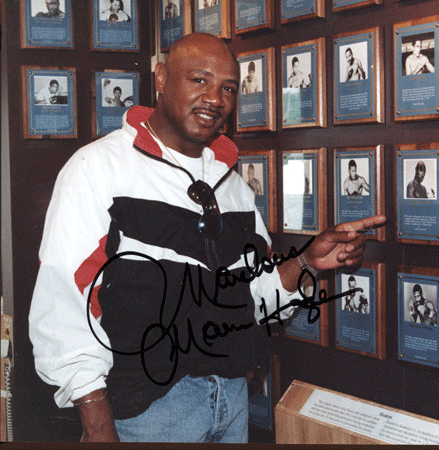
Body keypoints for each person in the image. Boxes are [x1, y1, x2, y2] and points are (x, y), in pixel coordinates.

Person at [29, 32, 386, 443]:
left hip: (232, 403)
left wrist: (306, 262)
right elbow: (65, 300)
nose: (214, 98)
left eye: (228, 88)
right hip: (149, 413)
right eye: (199, 80)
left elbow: (253, 297)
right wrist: (96, 420)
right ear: (161, 78)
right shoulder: (98, 169)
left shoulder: (230, 184)